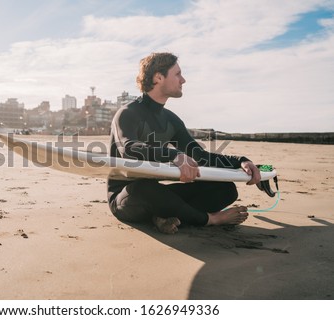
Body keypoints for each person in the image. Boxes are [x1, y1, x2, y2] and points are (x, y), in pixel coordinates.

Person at [107, 52, 261, 234]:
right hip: (127, 198)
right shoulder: (128, 113)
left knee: (225, 189)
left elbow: (199, 155)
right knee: (145, 188)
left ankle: (162, 217)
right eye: (178, 74)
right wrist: (175, 155)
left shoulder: (171, 120)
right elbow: (128, 148)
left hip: (158, 194)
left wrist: (241, 161)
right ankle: (210, 219)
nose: (183, 80)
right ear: (158, 77)